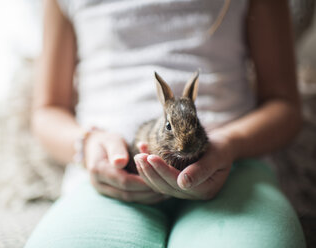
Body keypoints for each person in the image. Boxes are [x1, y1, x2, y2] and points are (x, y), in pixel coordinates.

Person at [25, 0, 306, 247]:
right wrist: (87, 146)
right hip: (112, 179)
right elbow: (47, 110)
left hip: (233, 167)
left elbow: (285, 105)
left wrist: (228, 144)